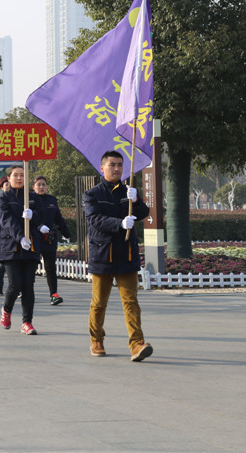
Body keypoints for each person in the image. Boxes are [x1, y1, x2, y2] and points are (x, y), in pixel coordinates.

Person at [85, 150, 153, 362]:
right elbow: (95, 219)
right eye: (112, 164)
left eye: (120, 165)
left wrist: (137, 200)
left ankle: (137, 344)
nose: (117, 169)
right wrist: (120, 223)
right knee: (99, 303)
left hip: (126, 254)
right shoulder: (92, 194)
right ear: (102, 167)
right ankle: (96, 340)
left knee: (131, 302)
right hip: (102, 254)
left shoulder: (128, 192)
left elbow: (143, 213)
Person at [0, 165, 44, 335]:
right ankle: (6, 310)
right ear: (9, 178)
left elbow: (41, 217)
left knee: (28, 285)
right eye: (15, 175)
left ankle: (27, 322)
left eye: (22, 175)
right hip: (11, 247)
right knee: (15, 285)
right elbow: (6, 221)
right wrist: (20, 237)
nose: (19, 178)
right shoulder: (2, 199)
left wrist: (33, 216)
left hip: (30, 246)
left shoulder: (32, 198)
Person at [33, 176, 72, 305]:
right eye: (38, 184)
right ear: (33, 187)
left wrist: (66, 233)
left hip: (49, 239)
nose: (41, 187)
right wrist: (39, 227)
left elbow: (58, 219)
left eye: (43, 184)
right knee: (31, 267)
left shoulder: (52, 200)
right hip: (34, 238)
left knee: (50, 268)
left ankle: (54, 295)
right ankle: (25, 290)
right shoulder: (29, 200)